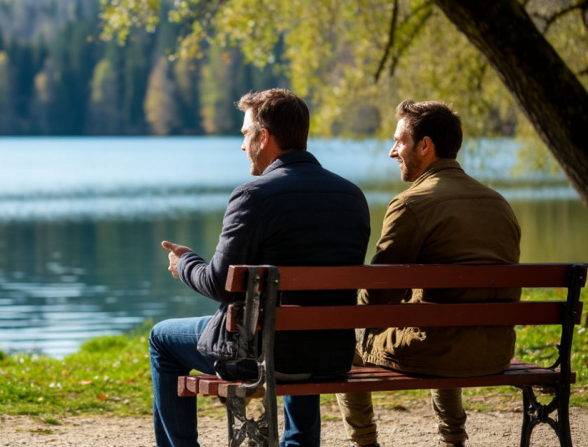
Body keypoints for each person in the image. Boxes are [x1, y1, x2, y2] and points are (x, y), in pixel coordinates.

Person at [152, 88, 371, 447]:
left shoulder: (253, 196)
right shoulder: (351, 196)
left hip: (259, 356)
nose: (242, 145)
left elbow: (219, 284)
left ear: (264, 136)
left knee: (161, 338)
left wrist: (184, 262)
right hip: (332, 353)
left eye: (244, 134)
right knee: (295, 324)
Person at [335, 100, 521, 447]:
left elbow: (377, 296)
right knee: (439, 320)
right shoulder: (498, 202)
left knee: (341, 342)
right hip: (495, 351)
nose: (392, 152)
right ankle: (453, 438)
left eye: (399, 141)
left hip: (437, 352)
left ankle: (365, 443)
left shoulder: (411, 203)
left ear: (425, 145)